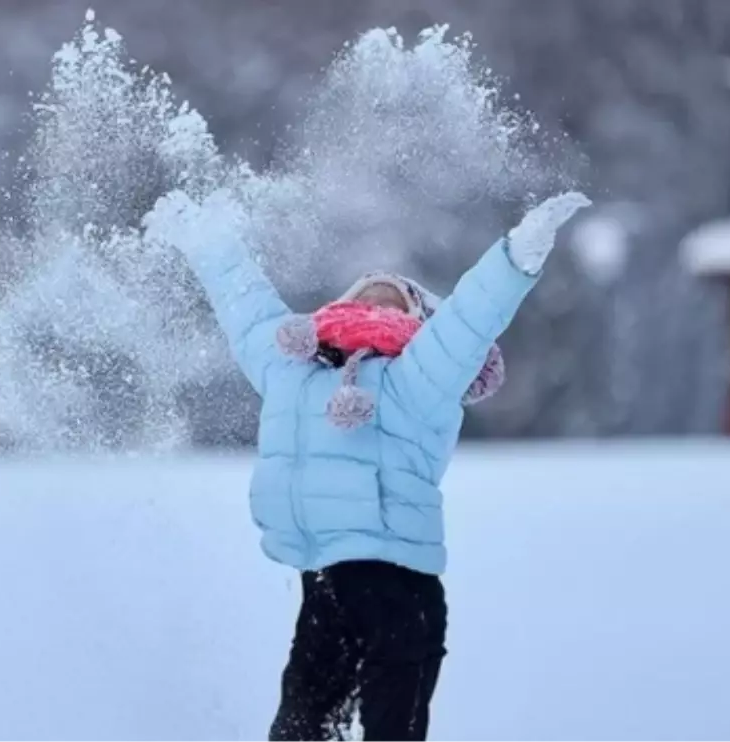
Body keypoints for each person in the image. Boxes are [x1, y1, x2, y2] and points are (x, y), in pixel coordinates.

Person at [145, 187, 590, 742]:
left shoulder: (419, 378)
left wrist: (518, 253)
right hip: (325, 585)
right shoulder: (293, 373)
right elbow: (246, 305)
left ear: (419, 323)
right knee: (297, 731)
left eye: (394, 301)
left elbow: (471, 318)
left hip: (400, 593)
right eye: (365, 298)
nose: (377, 306)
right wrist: (205, 238)